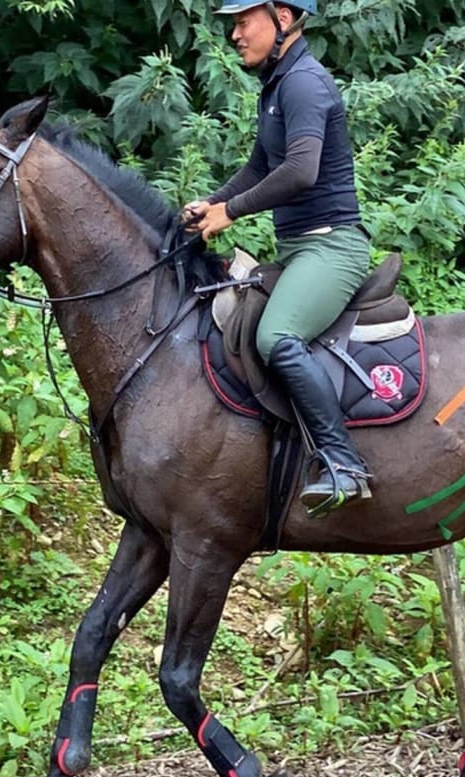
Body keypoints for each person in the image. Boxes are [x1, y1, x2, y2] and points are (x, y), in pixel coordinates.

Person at [183, 0, 372, 514]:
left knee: (276, 336)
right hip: (301, 247)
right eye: (235, 25)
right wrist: (214, 204)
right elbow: (260, 167)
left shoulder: (305, 83)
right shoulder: (278, 84)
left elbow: (300, 172)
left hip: (333, 246)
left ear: (283, 19)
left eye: (245, 22)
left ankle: (344, 463)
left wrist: (233, 213)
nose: (236, 35)